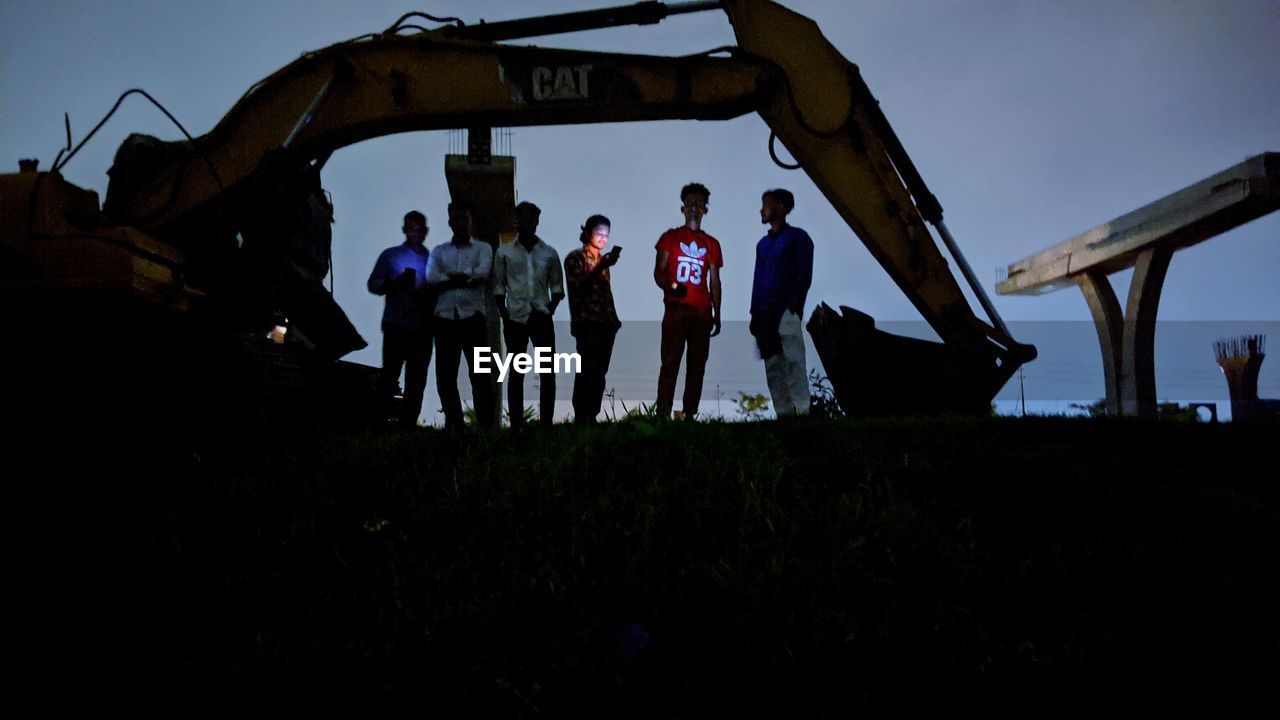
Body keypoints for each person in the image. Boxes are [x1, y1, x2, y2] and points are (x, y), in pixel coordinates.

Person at [653, 182, 723, 419]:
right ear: (682, 207)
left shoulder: (712, 244)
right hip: (676, 309)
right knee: (670, 362)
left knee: (696, 366)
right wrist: (673, 287)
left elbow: (715, 280)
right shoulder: (670, 237)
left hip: (702, 312)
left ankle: (689, 414)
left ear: (705, 209)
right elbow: (658, 272)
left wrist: (717, 313)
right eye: (690, 203)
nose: (694, 207)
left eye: (699, 203)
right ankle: (662, 413)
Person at [425, 201, 496, 429]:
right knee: (445, 377)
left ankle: (486, 425)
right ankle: (455, 425)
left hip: (474, 318)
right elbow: (431, 279)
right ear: (449, 222)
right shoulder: (439, 251)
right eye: (456, 218)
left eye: (464, 218)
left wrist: (451, 278)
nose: (461, 223)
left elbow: (482, 273)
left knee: (481, 377)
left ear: (470, 222)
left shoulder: (482, 248)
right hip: (445, 319)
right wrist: (464, 277)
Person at [494, 202, 564, 426]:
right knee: (515, 374)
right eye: (521, 218)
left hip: (541, 317)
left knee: (547, 372)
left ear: (537, 222)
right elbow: (498, 288)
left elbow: (558, 289)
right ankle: (516, 423)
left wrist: (547, 311)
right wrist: (506, 317)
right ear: (516, 221)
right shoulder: (504, 252)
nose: (526, 223)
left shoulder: (549, 253)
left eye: (530, 218)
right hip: (515, 318)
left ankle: (546, 423)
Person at [750, 188, 814, 416]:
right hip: (764, 314)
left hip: (786, 311)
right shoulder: (763, 245)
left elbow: (803, 274)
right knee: (774, 366)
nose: (762, 209)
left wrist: (794, 306)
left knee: (794, 361)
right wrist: (754, 314)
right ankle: (785, 414)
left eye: (766, 204)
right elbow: (758, 279)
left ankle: (803, 412)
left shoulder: (798, 238)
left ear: (781, 207)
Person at [366, 210, 434, 426]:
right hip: (396, 325)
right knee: (390, 376)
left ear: (425, 231)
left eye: (419, 227)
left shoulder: (433, 260)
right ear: (404, 229)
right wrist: (396, 284)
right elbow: (374, 284)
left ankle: (407, 426)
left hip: (423, 328)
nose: (415, 231)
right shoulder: (391, 256)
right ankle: (379, 423)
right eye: (411, 226)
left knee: (416, 381)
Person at [564, 214, 622, 425]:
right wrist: (600, 266)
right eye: (599, 233)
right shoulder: (575, 257)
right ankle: (581, 415)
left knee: (599, 372)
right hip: (587, 322)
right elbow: (578, 287)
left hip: (606, 322)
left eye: (606, 235)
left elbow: (605, 294)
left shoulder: (602, 261)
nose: (603, 238)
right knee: (586, 369)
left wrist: (614, 321)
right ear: (587, 232)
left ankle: (592, 415)